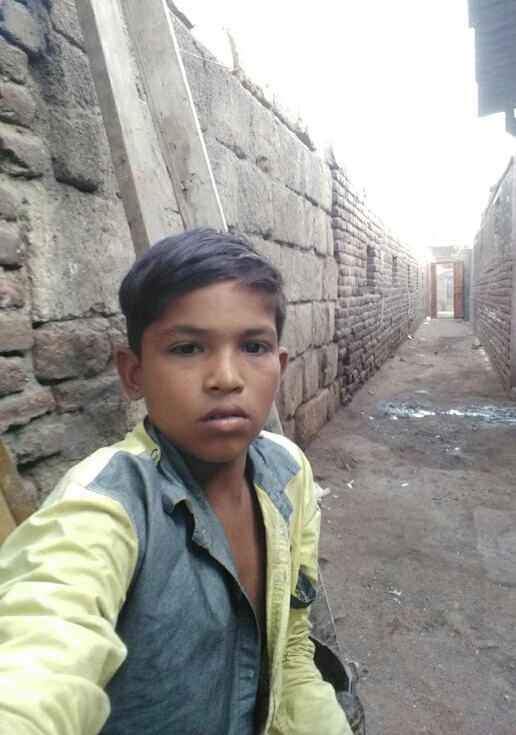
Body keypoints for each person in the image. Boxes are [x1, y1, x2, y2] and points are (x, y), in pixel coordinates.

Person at [0, 228, 352, 735]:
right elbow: (40, 656)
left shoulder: (288, 471)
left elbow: (290, 647)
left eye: (253, 346)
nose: (226, 377)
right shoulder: (106, 508)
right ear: (134, 373)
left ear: (279, 366)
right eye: (187, 348)